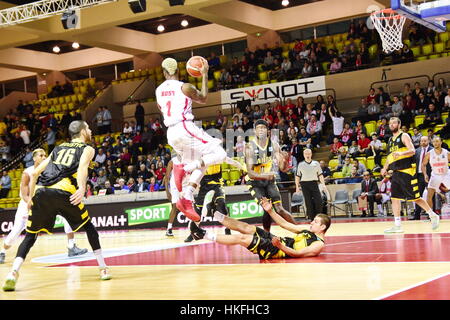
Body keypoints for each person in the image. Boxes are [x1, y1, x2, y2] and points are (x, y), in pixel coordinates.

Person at [2, 120, 111, 292]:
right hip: (63, 192)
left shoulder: (58, 148)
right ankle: (103, 268)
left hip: (41, 192)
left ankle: (13, 272)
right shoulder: (88, 149)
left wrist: (30, 198)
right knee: (89, 228)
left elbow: (36, 173)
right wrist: (82, 188)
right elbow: (82, 168)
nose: (90, 130)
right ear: (83, 132)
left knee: (30, 236)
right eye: (88, 128)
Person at [155, 57, 227, 224]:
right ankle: (184, 168)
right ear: (178, 71)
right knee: (219, 152)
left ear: (164, 72)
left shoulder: (158, 90)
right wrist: (204, 74)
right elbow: (203, 98)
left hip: (171, 133)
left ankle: (186, 196)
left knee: (203, 161)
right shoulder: (184, 86)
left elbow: (162, 109)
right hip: (184, 126)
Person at [0, 148, 88, 264]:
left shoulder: (51, 170)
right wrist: (30, 202)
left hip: (45, 202)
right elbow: (24, 194)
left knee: (67, 216)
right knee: (16, 231)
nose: (44, 157)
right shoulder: (28, 172)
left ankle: (71, 246)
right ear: (34, 158)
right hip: (27, 204)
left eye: (45, 155)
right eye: (41, 155)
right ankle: (2, 252)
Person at [198, 198, 330, 260]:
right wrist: (270, 211)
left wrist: (280, 246)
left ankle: (202, 234)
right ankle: (214, 214)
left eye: (316, 222)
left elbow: (297, 254)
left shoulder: (318, 244)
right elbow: (284, 224)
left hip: (278, 250)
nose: (312, 222)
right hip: (279, 242)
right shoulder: (306, 230)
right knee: (248, 228)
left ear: (322, 227)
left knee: (243, 238)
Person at [381, 117, 439, 233]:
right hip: (396, 172)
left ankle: (433, 215)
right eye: (390, 123)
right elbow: (390, 156)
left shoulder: (404, 136)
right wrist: (384, 167)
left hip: (407, 171)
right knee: (395, 198)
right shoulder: (390, 140)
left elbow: (412, 150)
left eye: (394, 123)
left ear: (399, 124)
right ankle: (397, 225)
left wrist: (401, 153)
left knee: (415, 198)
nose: (392, 125)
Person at [244, 119, 296, 232]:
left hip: (269, 180)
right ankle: (267, 234)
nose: (261, 130)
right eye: (259, 128)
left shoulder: (274, 144)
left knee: (279, 209)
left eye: (263, 128)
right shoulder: (250, 147)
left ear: (267, 130)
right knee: (267, 208)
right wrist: (266, 175)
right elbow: (250, 173)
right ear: (255, 131)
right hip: (254, 182)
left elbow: (283, 168)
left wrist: (285, 160)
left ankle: (300, 231)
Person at [185, 157, 243, 242]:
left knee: (222, 204)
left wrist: (237, 164)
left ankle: (228, 228)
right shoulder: (200, 155)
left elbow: (226, 159)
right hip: (204, 184)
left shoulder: (216, 153)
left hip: (217, 182)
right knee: (198, 211)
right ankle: (193, 231)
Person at [295, 149, 329, 221]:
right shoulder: (300, 164)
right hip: (304, 184)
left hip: (314, 183)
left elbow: (320, 175)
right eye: (306, 154)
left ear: (311, 154)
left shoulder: (316, 163)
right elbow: (297, 176)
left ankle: (318, 217)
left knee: (319, 201)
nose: (307, 155)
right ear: (304, 155)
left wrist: (323, 185)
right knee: (308, 202)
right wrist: (297, 186)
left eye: (309, 153)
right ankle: (312, 219)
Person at [421, 136, 450, 213]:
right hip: (435, 175)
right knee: (429, 195)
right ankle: (431, 215)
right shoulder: (429, 154)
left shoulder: (446, 153)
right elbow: (423, 164)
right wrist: (425, 174)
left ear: (441, 142)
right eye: (434, 142)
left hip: (446, 174)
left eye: (437, 141)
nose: (435, 143)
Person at [411, 136, 432, 220]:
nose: (423, 142)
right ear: (420, 142)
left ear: (428, 141)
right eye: (422, 141)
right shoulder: (417, 151)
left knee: (430, 196)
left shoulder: (432, 150)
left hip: (429, 175)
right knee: (417, 195)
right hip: (419, 175)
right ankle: (417, 215)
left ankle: (430, 215)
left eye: (425, 141)